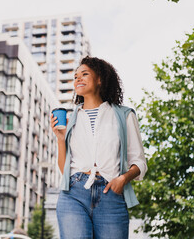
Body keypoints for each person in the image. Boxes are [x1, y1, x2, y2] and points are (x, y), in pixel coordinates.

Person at [51, 56, 147, 239]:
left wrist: (122, 179)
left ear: (100, 79)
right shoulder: (72, 119)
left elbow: (139, 163)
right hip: (74, 194)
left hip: (110, 194)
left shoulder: (124, 115)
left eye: (84, 74)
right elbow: (64, 170)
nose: (78, 79)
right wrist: (61, 139)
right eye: (75, 76)